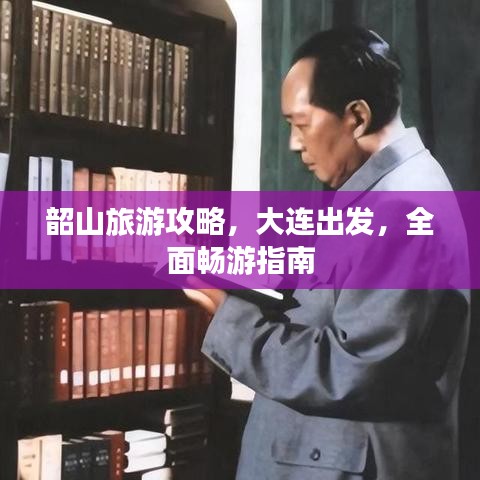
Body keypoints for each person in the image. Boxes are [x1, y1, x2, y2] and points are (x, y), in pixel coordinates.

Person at [184, 26, 470, 480]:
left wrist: (231, 319)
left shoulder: (401, 205)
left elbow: (354, 369)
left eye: (301, 124)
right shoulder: (384, 191)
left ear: (356, 116)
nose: (295, 144)